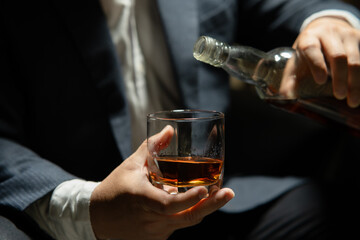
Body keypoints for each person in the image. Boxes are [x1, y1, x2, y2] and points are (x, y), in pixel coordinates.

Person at [1, 0, 360, 239]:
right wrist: (87, 207)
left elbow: (285, 5)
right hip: (79, 219)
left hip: (209, 205)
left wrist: (330, 20)